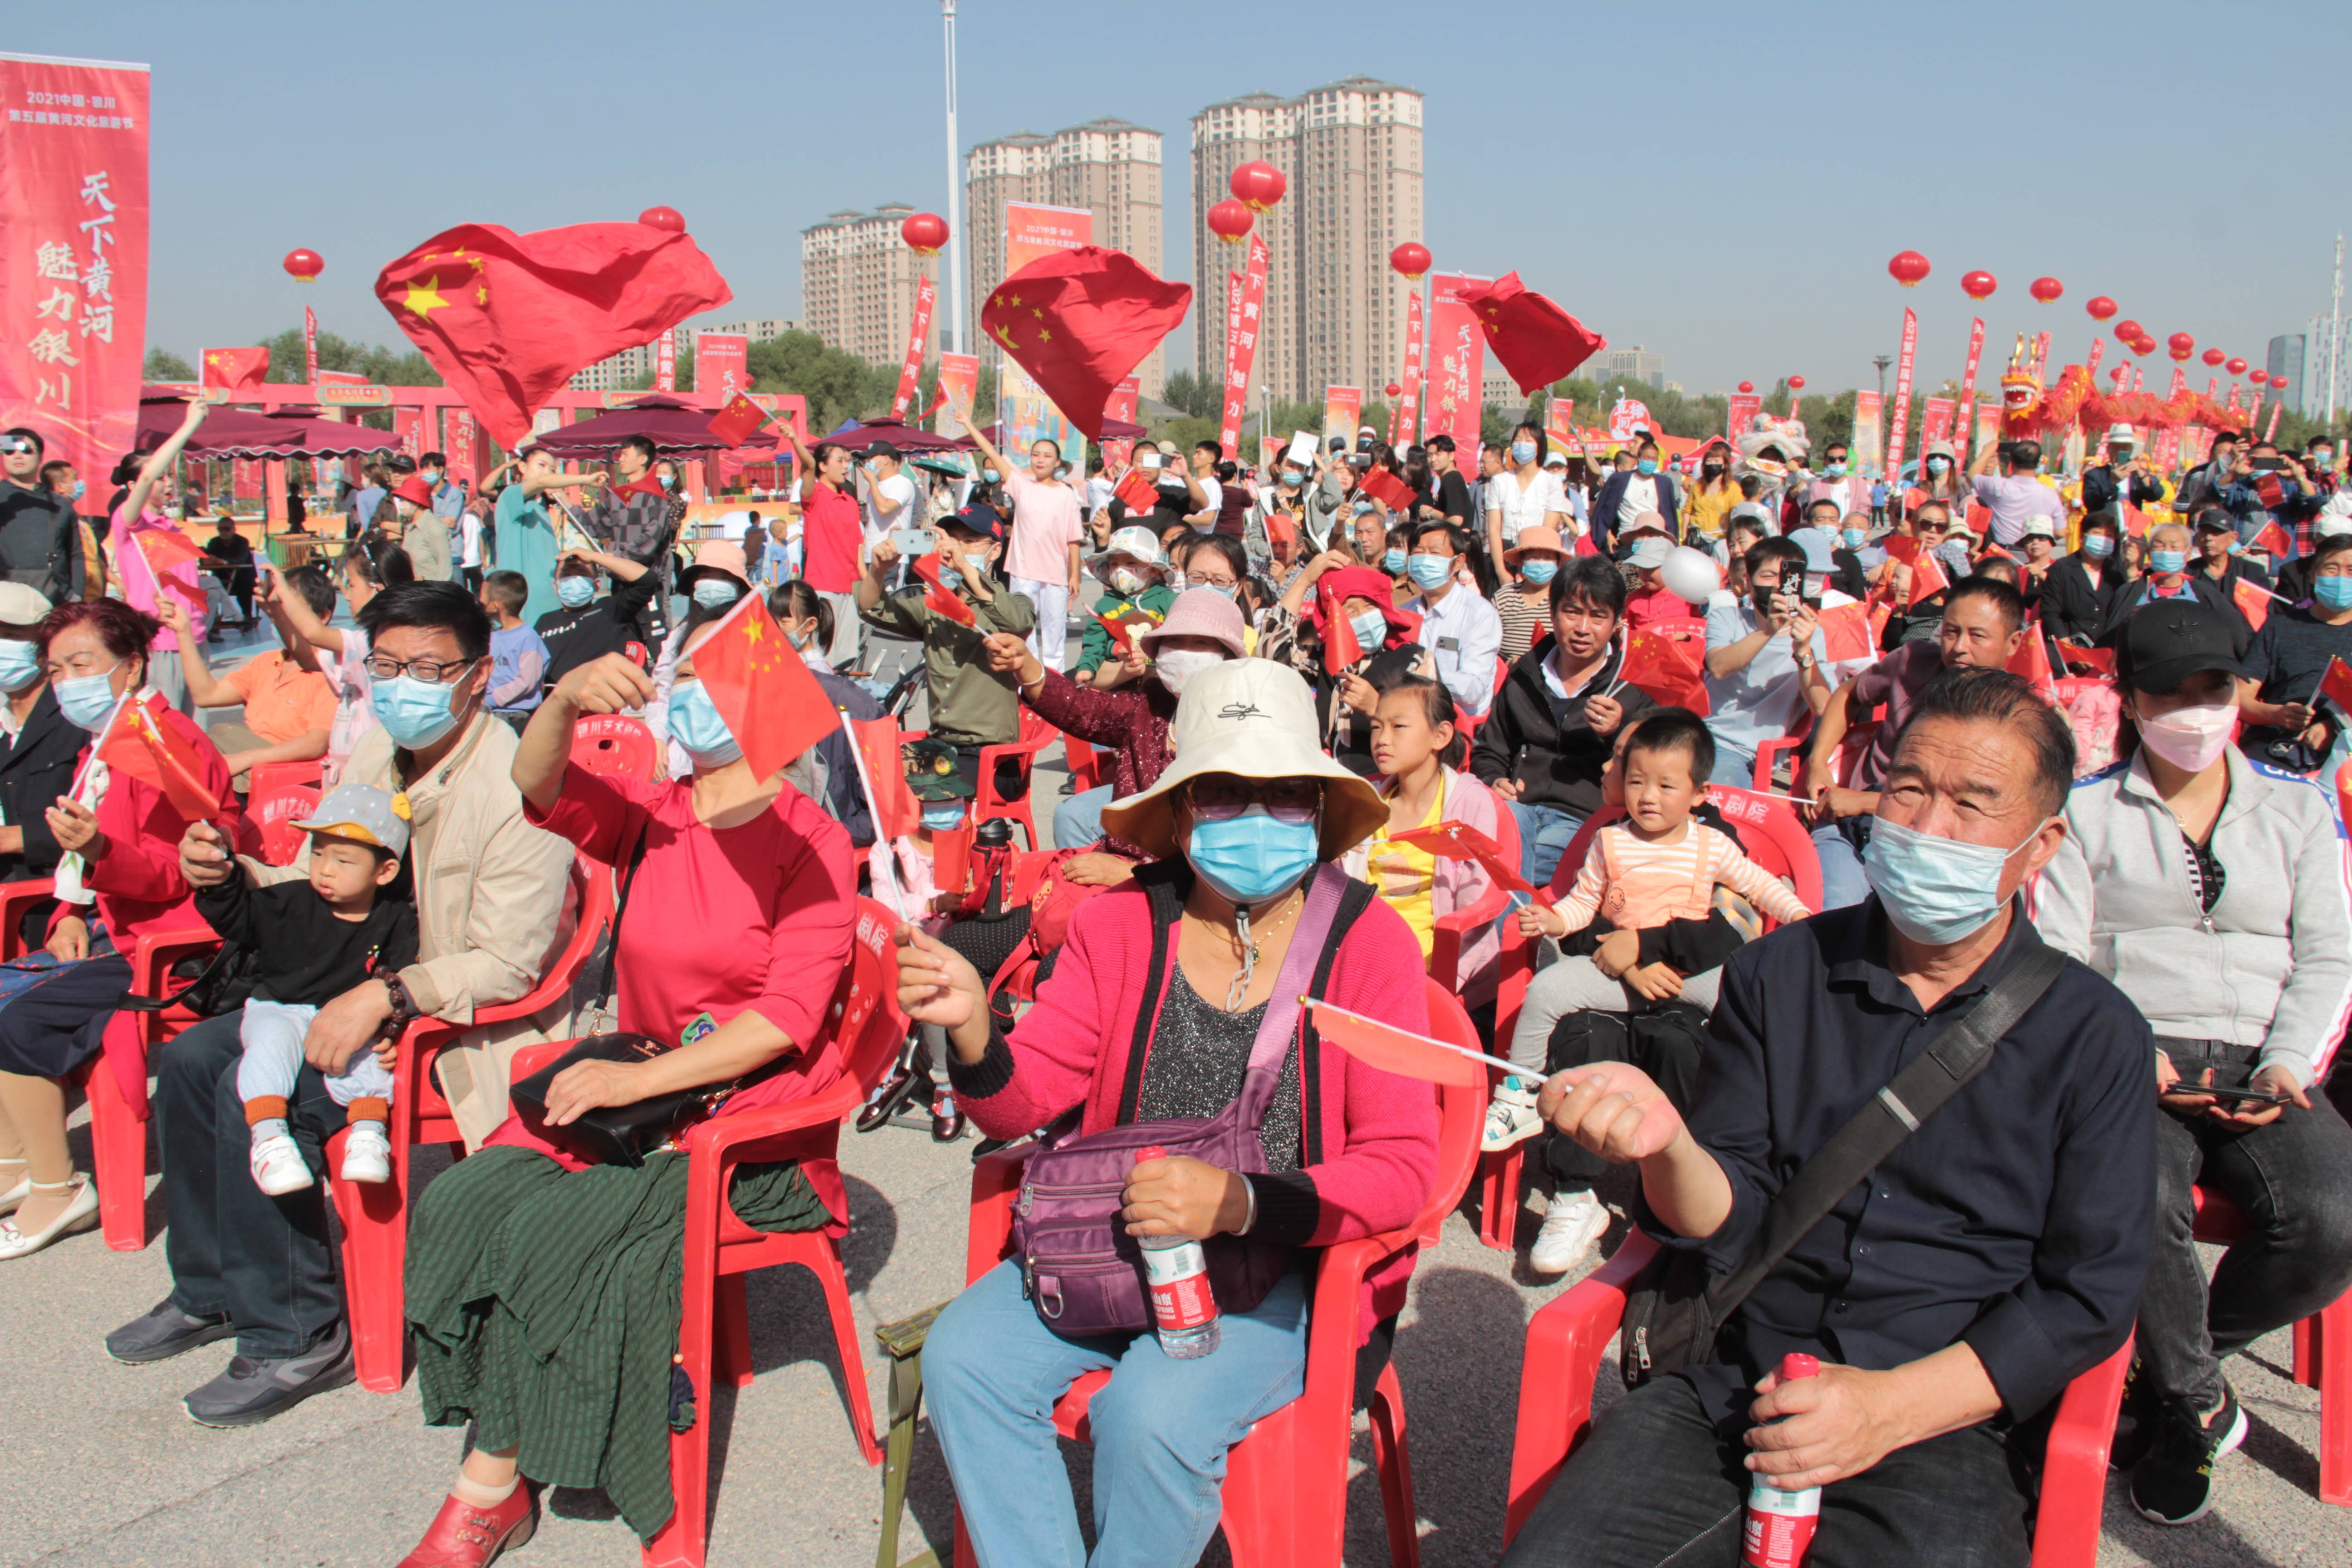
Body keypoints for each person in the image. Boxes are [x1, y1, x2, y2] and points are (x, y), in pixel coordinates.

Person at [1502, 666, 2155, 1568]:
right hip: (1740, 1385)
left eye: (1972, 805)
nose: (1929, 827)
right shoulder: (1779, 975)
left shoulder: (2093, 1034)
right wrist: (1667, 1146)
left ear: (2040, 846)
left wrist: (1889, 1410)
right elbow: (1726, 1209)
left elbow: (2089, 1291)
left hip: (1943, 1422)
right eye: (1911, 790)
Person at [904, 656, 1441, 1568]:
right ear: (1185, 809)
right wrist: (973, 1033)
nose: (1257, 820)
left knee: (1150, 1415)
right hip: (1116, 1240)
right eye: (1225, 795)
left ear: (1319, 808)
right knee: (962, 1360)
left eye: (1285, 797)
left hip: (1283, 1273)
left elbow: (1402, 1166)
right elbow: (1023, 1100)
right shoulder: (1118, 923)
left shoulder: (1369, 942)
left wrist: (1238, 1204)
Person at [390, 632, 854, 1562]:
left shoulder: (813, 839)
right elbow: (538, 786)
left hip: (740, 1127)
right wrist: (561, 700)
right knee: (463, 1200)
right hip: (631, 1102)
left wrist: (638, 1080)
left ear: (762, 720)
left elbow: (782, 1022)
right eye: (684, 686)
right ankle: (512, 1428)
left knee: (545, 1239)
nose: (683, 704)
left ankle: (492, 1485)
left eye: (710, 691)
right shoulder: (657, 809)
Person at [113, 581, 573, 1426]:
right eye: (389, 663)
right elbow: (321, 877)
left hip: (449, 1024)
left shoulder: (516, 786)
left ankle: (295, 1331)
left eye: (429, 667)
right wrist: (230, 876)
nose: (405, 684)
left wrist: (389, 995)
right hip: (348, 986)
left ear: (477, 676)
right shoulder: (373, 754)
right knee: (187, 1061)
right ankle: (213, 1285)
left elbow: (510, 963)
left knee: (251, 1091)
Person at [2036, 602, 2352, 1526]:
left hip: (2266, 1061)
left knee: (2335, 1218)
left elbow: (2331, 955)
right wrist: (2137, 1055)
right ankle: (2198, 1409)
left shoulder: (2297, 810)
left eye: (2212, 689)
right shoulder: (2085, 811)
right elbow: (2061, 960)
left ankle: (2177, 1376)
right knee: (2134, 1193)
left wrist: (2289, 1062)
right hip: (2135, 1062)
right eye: (2167, 692)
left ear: (2242, 692)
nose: (2194, 709)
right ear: (2129, 701)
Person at [1494, 710, 1811, 1274]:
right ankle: (1517, 1096)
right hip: (1617, 975)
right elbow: (1581, 904)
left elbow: (1758, 888)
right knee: (1549, 989)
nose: (1648, 797)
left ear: (1698, 792)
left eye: (1666, 786)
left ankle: (1767, 1128)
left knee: (1746, 1012)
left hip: (1688, 975)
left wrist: (1804, 918)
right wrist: (1553, 922)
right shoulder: (1609, 843)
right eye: (1637, 781)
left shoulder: (1712, 845)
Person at [0, 599, 253, 1261]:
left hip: (173, 947)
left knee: (16, 1016)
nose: (66, 683)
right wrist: (66, 916)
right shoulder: (104, 746)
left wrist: (104, 858)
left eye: (80, 664)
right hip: (113, 927)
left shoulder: (166, 747)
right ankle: (17, 1163)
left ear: (132, 664)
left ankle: (60, 1188)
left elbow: (184, 874)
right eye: (55, 670)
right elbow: (79, 866)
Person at [198, 784, 418, 1193]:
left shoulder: (395, 920)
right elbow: (237, 917)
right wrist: (221, 880)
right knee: (269, 1046)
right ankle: (269, 1138)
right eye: (317, 853)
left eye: (344, 860)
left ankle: (369, 1131)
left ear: (384, 872)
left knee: (370, 1059)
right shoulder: (290, 900)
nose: (325, 869)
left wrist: (391, 1031)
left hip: (347, 1017)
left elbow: (399, 979)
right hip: (281, 1006)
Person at [1803, 574, 2029, 909]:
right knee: (1834, 915)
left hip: (1932, 847)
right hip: (1850, 828)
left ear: (2013, 643)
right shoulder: (1913, 660)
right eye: (1951, 632)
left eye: (1978, 636)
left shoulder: (2015, 716)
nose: (1960, 647)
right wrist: (1818, 762)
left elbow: (1971, 813)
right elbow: (1849, 694)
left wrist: (1865, 803)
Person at [986, 588, 1244, 871]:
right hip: (1125, 858)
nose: (1183, 652)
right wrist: (1026, 667)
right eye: (1175, 640)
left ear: (1229, 657)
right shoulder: (1149, 705)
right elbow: (1081, 709)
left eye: (1200, 642)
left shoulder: (1243, 726)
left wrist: (1134, 875)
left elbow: (1228, 852)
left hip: (1185, 885)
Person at [1472, 556, 1652, 885]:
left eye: (1598, 616)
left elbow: (1651, 771)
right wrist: (1494, 779)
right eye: (1572, 612)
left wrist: (1618, 733)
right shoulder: (1523, 676)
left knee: (1499, 869)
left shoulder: (1632, 686)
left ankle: (1510, 930)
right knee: (1484, 855)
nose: (1583, 628)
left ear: (1617, 624)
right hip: (1520, 806)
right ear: (1553, 614)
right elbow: (1489, 750)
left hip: (1586, 818)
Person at [857, 503, 1034, 797]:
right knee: (867, 780)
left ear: (995, 551)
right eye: (951, 539)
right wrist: (878, 570)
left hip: (992, 757)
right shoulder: (934, 605)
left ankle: (934, 841)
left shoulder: (1015, 601)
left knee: (910, 790)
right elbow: (872, 610)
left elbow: (1018, 623)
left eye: (969, 541)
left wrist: (965, 566)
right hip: (940, 747)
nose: (957, 548)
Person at [1349, 672, 1504, 987]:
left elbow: (1476, 899)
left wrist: (1451, 976)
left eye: (1399, 727)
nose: (1382, 739)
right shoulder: (1365, 798)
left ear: (1441, 735)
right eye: (1376, 726)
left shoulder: (1468, 803)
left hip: (1432, 964)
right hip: (1363, 953)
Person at [154, 567, 336, 789]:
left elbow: (315, 744)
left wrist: (245, 759)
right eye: (274, 609)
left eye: (287, 609)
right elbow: (206, 695)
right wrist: (183, 632)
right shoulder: (267, 662)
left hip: (278, 773)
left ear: (322, 617)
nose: (278, 617)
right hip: (242, 756)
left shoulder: (330, 670)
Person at [1262, 558, 1425, 777]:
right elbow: (1272, 652)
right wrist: (1304, 581)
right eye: (1351, 612)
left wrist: (1376, 709)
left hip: (1388, 785)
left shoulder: (1413, 659)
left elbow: (1427, 730)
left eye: (1371, 606)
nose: (1365, 618)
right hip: (1328, 779)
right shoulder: (1323, 659)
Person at [268, 538, 407, 787]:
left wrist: (284, 593)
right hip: (353, 770)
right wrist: (278, 612)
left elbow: (313, 634)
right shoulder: (369, 640)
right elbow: (310, 659)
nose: (346, 594)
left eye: (352, 585)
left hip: (369, 774)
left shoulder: (376, 643)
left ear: (376, 588)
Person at [1701, 538, 1830, 788]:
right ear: (1748, 582)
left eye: (1788, 577)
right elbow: (1718, 666)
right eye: (1769, 576)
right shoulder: (1728, 617)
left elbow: (1823, 706)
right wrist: (1769, 630)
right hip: (1705, 737)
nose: (1779, 586)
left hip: (1750, 752)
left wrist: (1803, 651)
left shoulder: (1813, 633)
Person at [962, 411, 1084, 674]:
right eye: (1036, 455)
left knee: (1055, 634)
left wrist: (1075, 574)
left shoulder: (1066, 495)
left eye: (1047, 455)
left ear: (1058, 462)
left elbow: (1073, 539)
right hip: (1024, 571)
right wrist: (969, 424)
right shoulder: (1021, 486)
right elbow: (994, 456)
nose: (1040, 460)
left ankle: (1055, 685)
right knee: (1024, 631)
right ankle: (1027, 682)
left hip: (1055, 574)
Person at [771, 582, 881, 848]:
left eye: (783, 622)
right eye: (770, 622)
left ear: (809, 625)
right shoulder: (781, 668)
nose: (774, 631)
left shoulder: (818, 678)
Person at [0, 586, 78, 949]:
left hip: (52, 902)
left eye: (8, 633)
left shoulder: (78, 717)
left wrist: (16, 838)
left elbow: (109, 824)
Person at [2238, 531, 2352, 772]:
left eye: (2351, 571)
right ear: (2313, 574)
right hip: (2275, 749)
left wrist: (2334, 729)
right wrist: (2277, 715)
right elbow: (2241, 699)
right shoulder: (2278, 626)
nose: (2341, 578)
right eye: (2332, 568)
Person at [491, 445, 604, 626]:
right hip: (520, 600)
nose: (547, 473)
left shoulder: (541, 509)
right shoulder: (510, 496)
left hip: (546, 599)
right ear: (522, 467)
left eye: (552, 470)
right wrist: (585, 478)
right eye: (541, 465)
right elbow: (541, 483)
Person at [1401, 520, 1501, 719]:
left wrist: (1431, 676)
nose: (1425, 560)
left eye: (1435, 553)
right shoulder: (1404, 612)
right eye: (1419, 552)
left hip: (1454, 720)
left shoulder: (1479, 614)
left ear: (1458, 562)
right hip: (1409, 714)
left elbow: (1474, 689)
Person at [534, 545, 659, 691]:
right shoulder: (545, 621)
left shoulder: (610, 609)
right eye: (566, 575)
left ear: (597, 585)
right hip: (555, 703)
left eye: (582, 573)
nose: (574, 580)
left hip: (599, 701)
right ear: (556, 586)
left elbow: (648, 580)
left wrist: (595, 557)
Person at [2097, 521, 2241, 644]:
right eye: (2159, 546)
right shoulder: (2128, 594)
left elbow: (2230, 639)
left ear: (2188, 553)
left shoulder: (2206, 596)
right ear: (2149, 553)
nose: (2167, 552)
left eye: (2175, 547)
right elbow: (2110, 642)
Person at [1075, 525, 1177, 686]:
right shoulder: (1105, 605)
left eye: (1131, 563)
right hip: (1117, 683)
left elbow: (1176, 641)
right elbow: (1094, 643)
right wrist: (1087, 667)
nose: (1120, 570)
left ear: (1153, 571)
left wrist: (1148, 657)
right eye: (1114, 564)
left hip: (1159, 683)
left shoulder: (1168, 600)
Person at [0, 426, 82, 603]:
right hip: (5, 600)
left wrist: (77, 596)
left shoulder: (61, 505)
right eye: (9, 450)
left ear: (40, 458)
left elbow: (75, 555)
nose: (18, 455)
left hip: (53, 598)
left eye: (27, 450)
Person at [1483, 421, 1569, 566]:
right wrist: (1500, 570)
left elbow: (1547, 531)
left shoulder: (1551, 482)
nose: (1522, 444)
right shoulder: (1499, 481)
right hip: (1504, 551)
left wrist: (1533, 561)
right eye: (1518, 440)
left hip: (1536, 553)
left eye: (1528, 440)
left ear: (1539, 447)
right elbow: (1494, 528)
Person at [2043, 510, 2125, 647]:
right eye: (2098, 534)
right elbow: (2050, 613)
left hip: (2107, 648)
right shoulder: (2062, 569)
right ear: (2082, 537)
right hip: (2071, 645)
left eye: (2109, 536)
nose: (2104, 540)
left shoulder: (2117, 570)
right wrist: (2068, 648)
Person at [1967, 437, 2065, 550]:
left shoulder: (1998, 486)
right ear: (2038, 463)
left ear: (2011, 463)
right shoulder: (2051, 494)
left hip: (2004, 553)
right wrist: (2041, 540)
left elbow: (1971, 475)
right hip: (2035, 554)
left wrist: (1986, 453)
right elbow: (2061, 532)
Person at [480, 569, 549, 729]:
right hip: (491, 712)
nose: (480, 601)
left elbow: (527, 681)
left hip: (518, 716)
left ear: (495, 605)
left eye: (483, 596)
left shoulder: (529, 638)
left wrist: (492, 699)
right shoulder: (493, 635)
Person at [1591, 437, 1681, 555]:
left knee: (1649, 574)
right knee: (1625, 573)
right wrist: (1609, 536)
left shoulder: (1664, 483)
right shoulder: (1620, 480)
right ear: (1639, 458)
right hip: (1626, 542)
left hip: (1654, 543)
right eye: (1646, 458)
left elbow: (1670, 517)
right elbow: (1604, 512)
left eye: (1654, 459)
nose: (1650, 461)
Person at [1495, 525, 1566, 665]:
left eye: (1547, 558)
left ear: (1557, 562)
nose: (1541, 563)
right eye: (1534, 557)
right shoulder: (1504, 597)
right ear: (1522, 561)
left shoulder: (1564, 600)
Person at [2082, 424, 2169, 516]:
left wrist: (2143, 476)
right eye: (2116, 447)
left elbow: (2156, 495)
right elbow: (2090, 502)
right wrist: (2111, 482)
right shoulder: (2095, 474)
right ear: (2109, 449)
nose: (2120, 451)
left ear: (2131, 449)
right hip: (2107, 527)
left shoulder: (2137, 474)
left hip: (2132, 529)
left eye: (2125, 448)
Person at [1619, 529, 1693, 630]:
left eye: (1651, 568)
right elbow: (1627, 631)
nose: (1645, 574)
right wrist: (1621, 630)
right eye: (1641, 568)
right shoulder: (1634, 600)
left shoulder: (1688, 598)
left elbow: (1699, 631)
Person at [392, 474, 454, 584]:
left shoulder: (434, 527)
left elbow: (446, 571)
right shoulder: (410, 527)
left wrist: (436, 596)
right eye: (401, 499)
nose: (401, 504)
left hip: (433, 595)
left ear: (416, 502)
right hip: (415, 593)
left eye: (405, 500)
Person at [1682, 441, 1742, 543]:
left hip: (1721, 540)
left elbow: (1737, 516)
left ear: (1724, 464)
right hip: (1697, 538)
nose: (1713, 464)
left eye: (1717, 460)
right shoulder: (1697, 486)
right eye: (1709, 461)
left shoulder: (1733, 488)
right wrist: (1684, 536)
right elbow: (1687, 511)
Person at [206, 514, 256, 629]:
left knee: (244, 588)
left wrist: (222, 561)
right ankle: (213, 623)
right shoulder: (214, 542)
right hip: (222, 578)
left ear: (234, 529)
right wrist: (206, 560)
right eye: (220, 529)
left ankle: (246, 617)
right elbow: (206, 557)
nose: (223, 532)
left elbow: (241, 560)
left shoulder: (242, 542)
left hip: (241, 577)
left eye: (227, 529)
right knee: (210, 591)